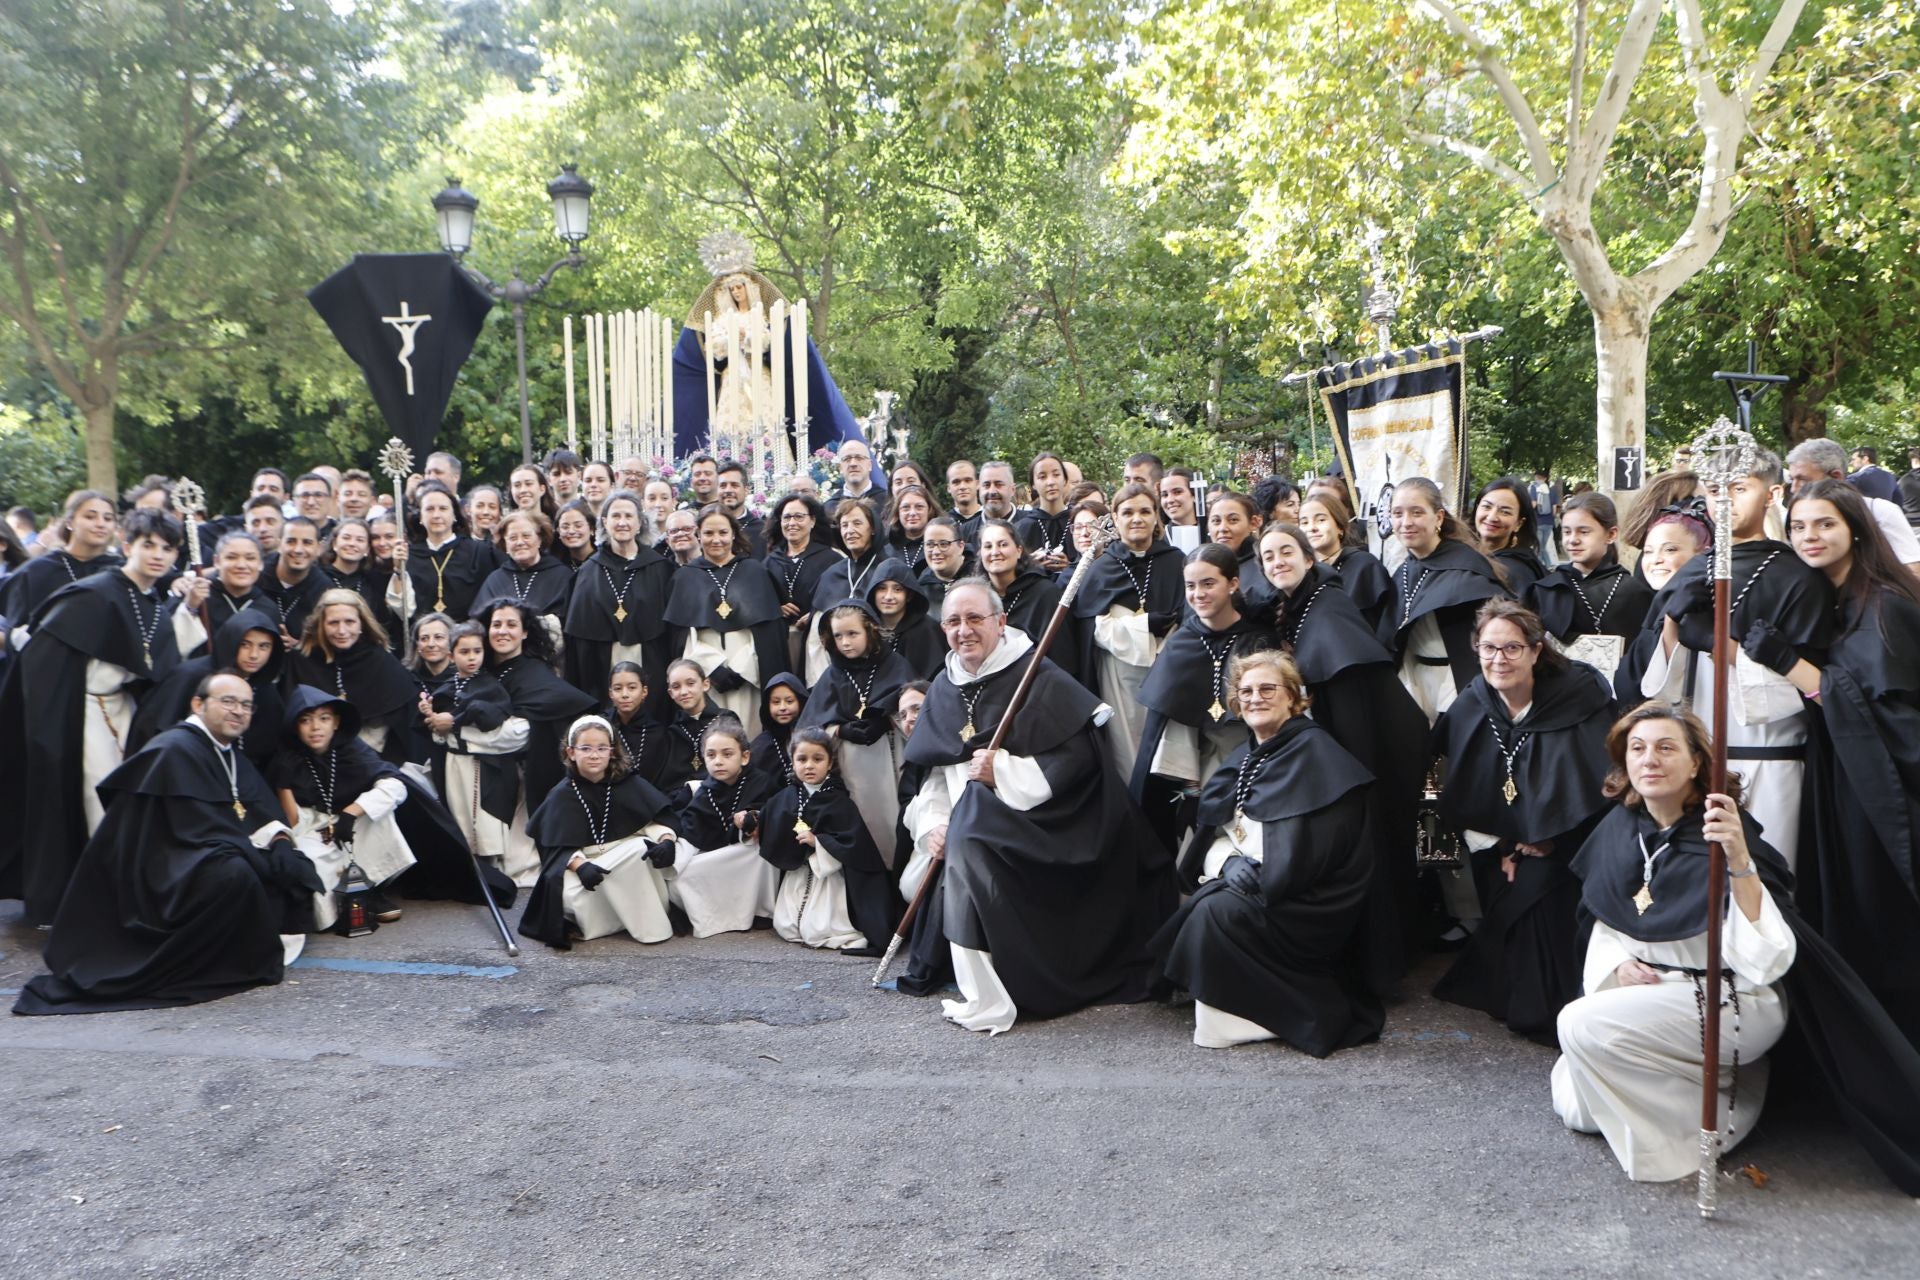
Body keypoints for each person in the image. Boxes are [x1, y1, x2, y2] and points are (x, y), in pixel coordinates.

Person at [902, 579, 1175, 1035]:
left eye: (975, 619)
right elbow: (932, 776)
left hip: (1049, 824)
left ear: (1000, 622)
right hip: (971, 825)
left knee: (973, 840)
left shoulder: (1036, 674)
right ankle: (981, 986)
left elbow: (1079, 763)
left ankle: (1001, 994)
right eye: (953, 621)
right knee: (966, 837)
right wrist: (933, 824)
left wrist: (1004, 772)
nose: (963, 630)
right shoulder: (944, 688)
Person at [1552, 704, 1796, 1182]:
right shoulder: (1620, 828)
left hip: (1728, 998)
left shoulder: (1725, 833)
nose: (1650, 760)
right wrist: (1619, 961)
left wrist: (1738, 859)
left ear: (1696, 763)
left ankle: (1718, 1109)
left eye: (1666, 748)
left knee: (1577, 1023)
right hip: (1647, 995)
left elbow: (1768, 959)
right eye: (1638, 749)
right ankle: (1713, 1083)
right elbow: (1603, 917)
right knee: (1576, 1106)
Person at [11, 672, 325, 1014]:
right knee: (235, 873)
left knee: (288, 864)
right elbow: (181, 828)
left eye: (247, 705)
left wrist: (278, 840)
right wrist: (250, 850)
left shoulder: (227, 752)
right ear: (198, 704)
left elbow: (253, 806)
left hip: (198, 849)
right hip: (160, 865)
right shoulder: (174, 749)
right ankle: (216, 961)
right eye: (229, 702)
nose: (238, 711)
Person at [1148, 649, 1383, 1054]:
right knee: (1212, 905)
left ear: (1293, 697)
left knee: (1215, 911)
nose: (1256, 698)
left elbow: (1317, 853)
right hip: (1261, 881)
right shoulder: (1246, 756)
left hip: (1305, 899)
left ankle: (1249, 1018)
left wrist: (1259, 873)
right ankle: (1233, 1008)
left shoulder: (1318, 755)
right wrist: (1228, 861)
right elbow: (1219, 831)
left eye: (1268, 689)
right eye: (1246, 691)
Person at [1430, 600, 1616, 1043]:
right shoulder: (1475, 702)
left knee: (1536, 902)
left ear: (1536, 651)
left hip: (1581, 847)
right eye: (1489, 648)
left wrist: (1552, 841)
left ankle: (1553, 1012)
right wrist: (1509, 845)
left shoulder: (1578, 698)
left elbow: (1598, 789)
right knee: (1511, 890)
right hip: (1512, 844)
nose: (1499, 659)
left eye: (1512, 648)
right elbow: (1469, 785)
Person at [1642, 447, 1833, 870]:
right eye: (1713, 490)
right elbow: (1659, 685)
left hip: (1770, 765)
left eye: (1739, 488)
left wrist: (1714, 642)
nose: (1724, 500)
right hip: (1694, 763)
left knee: (1767, 883)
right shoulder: (1693, 571)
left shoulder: (1800, 580)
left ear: (1772, 493)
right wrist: (1673, 620)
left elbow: (1802, 689)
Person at [1780, 480, 1920, 1045]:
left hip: (1884, 789)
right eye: (1798, 527)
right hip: (1839, 781)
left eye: (1824, 524)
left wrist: (1789, 663)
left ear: (1855, 528)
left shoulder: (1888, 603)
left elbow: (1881, 714)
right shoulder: (1824, 598)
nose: (1809, 537)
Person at [0, 508, 187, 925]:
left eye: (167, 548)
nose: (157, 555)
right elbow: (40, 660)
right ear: (128, 547)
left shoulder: (152, 599)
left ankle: (122, 893)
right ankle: (95, 901)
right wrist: (50, 729)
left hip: (125, 712)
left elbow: (159, 664)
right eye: (148, 545)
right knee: (97, 801)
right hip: (80, 712)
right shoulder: (95, 593)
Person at [1261, 524, 1428, 981]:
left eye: (1286, 552)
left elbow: (1355, 700)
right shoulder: (1300, 603)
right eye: (1269, 556)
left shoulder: (1327, 608)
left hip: (1367, 753)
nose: (1278, 561)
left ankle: (1380, 964)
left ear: (1309, 557)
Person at [1131, 544, 1275, 854]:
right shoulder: (1182, 640)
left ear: (1232, 583)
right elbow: (1162, 726)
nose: (1199, 594)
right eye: (1191, 586)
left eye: (1208, 583)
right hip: (1194, 769)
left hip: (1248, 760)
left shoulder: (1257, 639)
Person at [518, 715, 681, 950]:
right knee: (567, 898)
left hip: (625, 858)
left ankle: (649, 926)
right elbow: (554, 849)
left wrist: (667, 841)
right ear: (571, 753)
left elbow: (659, 820)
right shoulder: (561, 795)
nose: (594, 755)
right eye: (586, 748)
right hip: (585, 870)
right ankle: (615, 918)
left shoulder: (629, 784)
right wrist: (580, 866)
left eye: (601, 748)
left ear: (612, 752)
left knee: (641, 848)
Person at [270, 687, 427, 929]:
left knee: (380, 813)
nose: (315, 728)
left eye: (324, 718)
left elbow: (396, 785)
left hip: (351, 818)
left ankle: (371, 890)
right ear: (294, 726)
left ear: (336, 722)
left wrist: (352, 812)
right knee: (309, 863)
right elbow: (291, 821)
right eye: (305, 720)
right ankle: (341, 906)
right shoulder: (287, 758)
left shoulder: (351, 748)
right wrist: (283, 782)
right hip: (311, 826)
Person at [1072, 483, 1183, 776]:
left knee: (1166, 757)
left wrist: (1160, 640)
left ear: (1156, 517)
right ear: (1115, 519)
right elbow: (1092, 627)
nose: (1137, 518)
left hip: (1166, 667)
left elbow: (1187, 617)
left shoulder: (1176, 562)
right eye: (1128, 512)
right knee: (1127, 755)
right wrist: (1144, 624)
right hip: (1117, 674)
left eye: (1145, 511)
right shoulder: (1101, 568)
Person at [1380, 477, 1510, 723]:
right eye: (1397, 513)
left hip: (1457, 686)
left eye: (1417, 512)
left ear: (1438, 517)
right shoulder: (1404, 570)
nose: (1406, 522)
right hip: (1415, 683)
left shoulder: (1468, 568)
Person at [758, 726, 897, 953]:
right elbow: (769, 823)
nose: (809, 765)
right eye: (802, 759)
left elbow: (854, 844)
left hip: (829, 876)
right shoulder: (785, 797)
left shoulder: (839, 801)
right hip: (798, 873)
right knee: (786, 926)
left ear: (830, 763)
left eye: (817, 759)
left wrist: (819, 842)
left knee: (818, 929)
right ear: (792, 762)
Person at [421, 621, 535, 885]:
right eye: (464, 652)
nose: (472, 657)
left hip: (481, 762)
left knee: (482, 813)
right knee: (459, 809)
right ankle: (470, 865)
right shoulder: (448, 686)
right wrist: (431, 715)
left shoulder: (489, 685)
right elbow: (437, 723)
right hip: (453, 762)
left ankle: (490, 866)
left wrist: (455, 719)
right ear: (451, 656)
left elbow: (490, 715)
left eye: (477, 651)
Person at [800, 601, 913, 866]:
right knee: (861, 824)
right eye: (838, 636)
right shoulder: (831, 675)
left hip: (890, 758)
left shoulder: (895, 665)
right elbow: (809, 730)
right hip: (850, 767)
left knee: (890, 822)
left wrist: (888, 721)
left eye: (852, 634)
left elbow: (915, 711)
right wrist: (839, 729)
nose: (845, 642)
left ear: (870, 631)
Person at [665, 506, 789, 735]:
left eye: (722, 533)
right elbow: (681, 636)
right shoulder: (685, 576)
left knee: (748, 733)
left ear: (733, 534)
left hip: (749, 676)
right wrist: (711, 668)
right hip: (704, 678)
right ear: (698, 535)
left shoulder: (754, 571)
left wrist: (742, 669)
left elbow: (767, 633)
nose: (716, 540)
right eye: (709, 533)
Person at [475, 596, 601, 819]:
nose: (502, 631)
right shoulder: (479, 670)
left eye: (511, 625)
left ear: (524, 633)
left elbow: (562, 706)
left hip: (528, 781)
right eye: (496, 625)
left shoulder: (535, 673)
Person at [563, 491, 679, 716]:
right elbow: (579, 641)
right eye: (616, 516)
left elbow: (672, 633)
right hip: (601, 667)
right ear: (605, 522)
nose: (622, 522)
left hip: (652, 665)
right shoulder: (588, 572)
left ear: (639, 523)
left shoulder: (661, 568)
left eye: (629, 516)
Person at [127, 606, 285, 770]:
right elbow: (152, 729)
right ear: (231, 641)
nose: (254, 654)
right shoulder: (190, 675)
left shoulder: (266, 690)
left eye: (264, 646)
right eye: (245, 644)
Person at [667, 716, 781, 937]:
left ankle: (761, 910)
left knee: (761, 848)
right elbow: (691, 832)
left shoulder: (761, 781)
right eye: (711, 755)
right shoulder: (704, 791)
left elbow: (775, 814)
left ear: (745, 756)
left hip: (747, 855)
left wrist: (753, 818)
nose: (718, 761)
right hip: (719, 856)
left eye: (727, 754)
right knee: (680, 876)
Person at [1526, 492, 1654, 673]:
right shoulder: (1547, 590)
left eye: (1584, 532)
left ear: (1611, 534)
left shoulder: (1634, 592)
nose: (1573, 540)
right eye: (1567, 531)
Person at [288, 589, 417, 761]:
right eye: (333, 623)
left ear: (361, 624)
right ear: (321, 624)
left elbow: (399, 725)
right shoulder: (301, 661)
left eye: (349, 622)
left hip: (369, 757)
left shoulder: (381, 661)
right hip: (312, 757)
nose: (342, 631)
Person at [0, 489, 122, 641]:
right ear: (70, 522)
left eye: (108, 519)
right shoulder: (37, 570)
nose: (100, 524)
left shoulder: (121, 571)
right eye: (90, 516)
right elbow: (15, 627)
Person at [1785, 438, 1920, 571]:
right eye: (1799, 527)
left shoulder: (1881, 511)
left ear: (1836, 477)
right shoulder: (1791, 516)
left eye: (1802, 479)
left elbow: (1913, 570)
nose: (1794, 488)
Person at [974, 517, 1078, 684]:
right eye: (988, 546)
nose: (995, 552)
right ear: (980, 554)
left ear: (1019, 550)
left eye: (1003, 544)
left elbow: (1062, 658)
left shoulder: (1045, 594)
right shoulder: (976, 599)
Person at [805, 498, 897, 682]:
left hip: (880, 672)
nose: (850, 531)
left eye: (857, 523)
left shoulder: (889, 569)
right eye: (844, 525)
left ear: (872, 528)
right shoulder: (831, 574)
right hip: (835, 675)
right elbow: (816, 638)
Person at [1296, 490, 1393, 635]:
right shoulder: (1301, 573)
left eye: (1321, 520)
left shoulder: (1364, 566)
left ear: (1339, 527)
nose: (1312, 528)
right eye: (1304, 522)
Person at [765, 492, 841, 671]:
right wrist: (775, 608)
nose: (792, 523)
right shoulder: (769, 562)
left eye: (799, 517)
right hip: (779, 642)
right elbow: (759, 600)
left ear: (812, 521)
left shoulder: (831, 560)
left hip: (818, 642)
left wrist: (817, 615)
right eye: (787, 517)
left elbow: (839, 599)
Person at [404, 479, 499, 621]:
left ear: (454, 515)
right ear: (420, 517)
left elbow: (488, 601)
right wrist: (398, 569)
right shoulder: (410, 556)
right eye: (430, 509)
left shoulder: (478, 551)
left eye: (443, 509)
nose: (436, 515)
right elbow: (404, 609)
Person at [479, 509, 573, 650]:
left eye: (526, 536)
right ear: (505, 544)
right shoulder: (495, 579)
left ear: (540, 539)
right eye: (513, 538)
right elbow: (482, 623)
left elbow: (571, 624)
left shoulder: (562, 576)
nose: (520, 542)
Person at [866, 561, 944, 678]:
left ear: (909, 595)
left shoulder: (927, 630)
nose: (888, 597)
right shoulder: (866, 629)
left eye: (897, 589)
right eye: (882, 588)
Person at [604, 660, 674, 792]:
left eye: (632, 687)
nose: (625, 694)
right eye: (618, 688)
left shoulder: (657, 733)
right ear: (610, 693)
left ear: (644, 691)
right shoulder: (600, 729)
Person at [1473, 477, 1547, 595]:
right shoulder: (1464, 554)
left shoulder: (1516, 571)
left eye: (1505, 512)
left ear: (1519, 523)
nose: (1492, 517)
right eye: (1487, 507)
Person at [661, 658, 723, 791]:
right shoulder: (673, 731)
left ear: (705, 684)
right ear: (670, 693)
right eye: (676, 687)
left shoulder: (725, 720)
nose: (684, 692)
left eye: (690, 683)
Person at [1205, 491, 1271, 611]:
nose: (1223, 528)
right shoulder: (1203, 566)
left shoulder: (1267, 564)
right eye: (1216, 521)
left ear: (1253, 523)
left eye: (1233, 520)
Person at [750, 671, 808, 787]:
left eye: (789, 701)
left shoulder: (814, 737)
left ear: (801, 702)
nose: (782, 707)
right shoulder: (761, 747)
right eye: (776, 702)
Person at [1019, 452, 1074, 572]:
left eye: (1056, 474)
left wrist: (1071, 567)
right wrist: (1029, 564)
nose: (1050, 482)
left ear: (1064, 479)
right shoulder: (1023, 527)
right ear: (1033, 484)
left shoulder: (1077, 521)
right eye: (1042, 477)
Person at [916, 515, 975, 612]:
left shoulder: (980, 577)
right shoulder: (922, 587)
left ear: (961, 546)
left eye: (943, 544)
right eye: (930, 545)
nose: (936, 551)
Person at [885, 483, 938, 571]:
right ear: (898, 512)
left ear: (929, 510)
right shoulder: (886, 551)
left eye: (919, 507)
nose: (912, 513)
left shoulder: (940, 546)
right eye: (906, 507)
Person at [1157, 467, 1203, 553]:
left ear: (1194, 495)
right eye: (1165, 495)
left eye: (1177, 492)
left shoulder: (1210, 534)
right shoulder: (1157, 540)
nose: (1170, 500)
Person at [945, 458, 984, 544]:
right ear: (948, 488)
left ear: (977, 484)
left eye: (968, 480)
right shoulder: (944, 524)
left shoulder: (989, 518)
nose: (962, 486)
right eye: (956, 482)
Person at [554, 498, 598, 572]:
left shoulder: (604, 562)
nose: (571, 531)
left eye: (578, 526)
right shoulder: (555, 565)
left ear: (591, 529)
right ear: (558, 531)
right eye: (565, 527)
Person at [1529, 470, 1558, 565]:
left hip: (1538, 521)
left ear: (1536, 477)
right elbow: (1554, 510)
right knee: (1542, 547)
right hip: (1549, 523)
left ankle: (1543, 566)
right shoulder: (1552, 490)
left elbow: (1533, 504)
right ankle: (1547, 566)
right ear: (1545, 478)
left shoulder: (1534, 488)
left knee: (1539, 547)